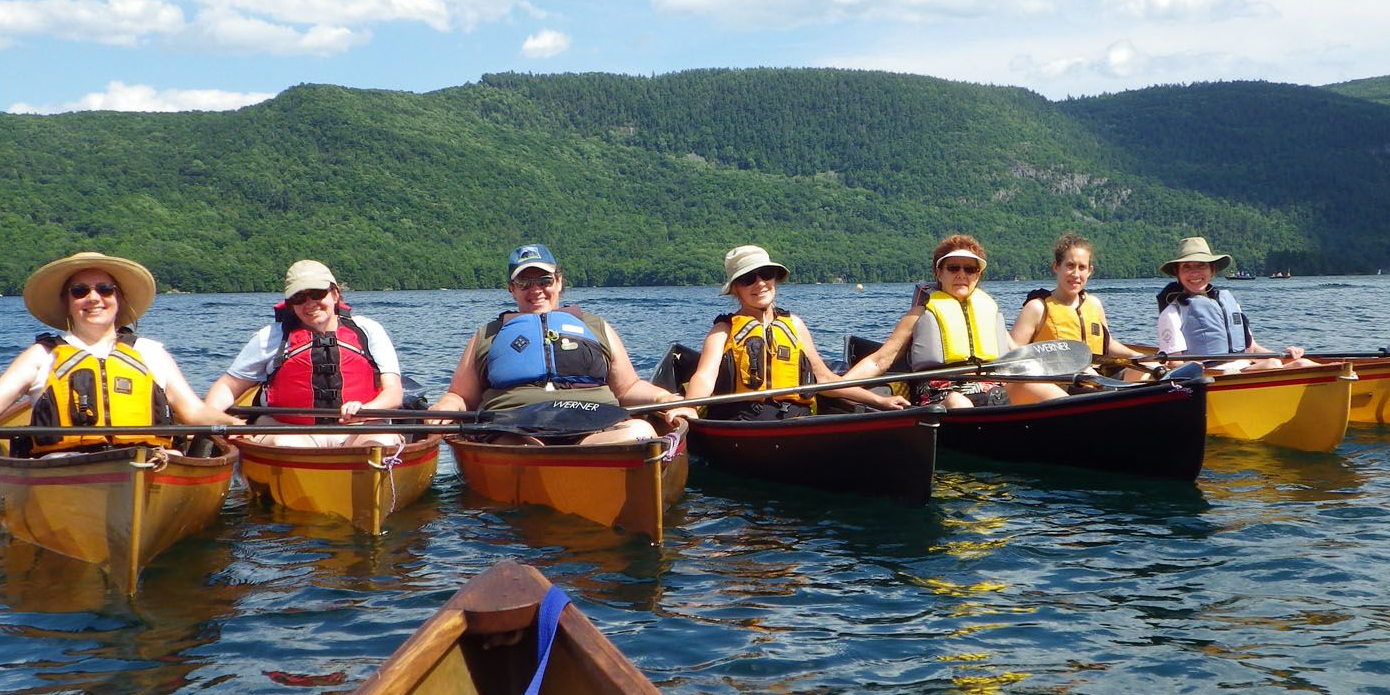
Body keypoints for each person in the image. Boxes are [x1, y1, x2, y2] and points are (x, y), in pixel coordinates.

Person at [0, 251, 233, 454]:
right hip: (65, 464)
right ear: (68, 302)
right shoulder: (42, 355)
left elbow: (193, 411)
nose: (94, 298)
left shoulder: (151, 352)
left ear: (118, 299)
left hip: (150, 460)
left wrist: (234, 424)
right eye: (80, 290)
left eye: (105, 289)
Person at [432, 243, 694, 444]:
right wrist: (445, 406)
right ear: (512, 288)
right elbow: (461, 395)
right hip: (515, 431)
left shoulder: (595, 327)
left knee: (641, 432)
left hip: (594, 426)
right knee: (522, 447)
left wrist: (665, 398)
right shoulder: (487, 335)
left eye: (544, 280)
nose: (535, 289)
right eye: (524, 282)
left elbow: (628, 387)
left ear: (559, 282)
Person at [841, 234, 1066, 407]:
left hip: (992, 391)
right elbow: (880, 361)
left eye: (970, 269)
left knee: (1039, 387)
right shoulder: (919, 313)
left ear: (978, 275)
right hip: (942, 395)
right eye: (953, 268)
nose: (961, 274)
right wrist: (839, 386)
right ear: (939, 273)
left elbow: (1020, 357)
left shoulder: (989, 311)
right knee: (958, 402)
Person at [683, 245, 908, 418]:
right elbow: (704, 377)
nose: (760, 283)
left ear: (775, 278)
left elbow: (825, 380)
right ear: (735, 289)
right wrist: (689, 408)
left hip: (795, 419)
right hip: (743, 421)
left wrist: (880, 402)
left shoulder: (795, 324)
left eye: (766, 274)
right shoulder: (723, 329)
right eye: (748, 279)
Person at [203, 260, 406, 448]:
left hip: (359, 427)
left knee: (381, 441)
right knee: (287, 444)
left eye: (317, 294)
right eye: (299, 298)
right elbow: (227, 388)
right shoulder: (270, 337)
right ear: (291, 304)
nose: (310, 304)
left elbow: (393, 393)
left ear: (335, 294)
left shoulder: (368, 330)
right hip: (287, 428)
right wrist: (214, 418)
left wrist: (366, 410)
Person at [1154, 236, 1317, 371]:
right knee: (1272, 364)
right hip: (1212, 376)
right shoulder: (1172, 313)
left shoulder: (1229, 302)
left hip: (1244, 367)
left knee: (1302, 363)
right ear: (1178, 273)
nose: (1194, 272)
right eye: (1186, 267)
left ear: (1212, 270)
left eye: (1201, 265)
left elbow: (1252, 349)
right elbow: (1175, 365)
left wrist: (1285, 355)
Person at [1009, 232, 1149, 380]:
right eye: (1070, 266)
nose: (1076, 274)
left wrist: (1138, 357)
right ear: (1056, 267)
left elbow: (1107, 344)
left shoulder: (1094, 304)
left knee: (1146, 370)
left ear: (1089, 271)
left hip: (1098, 375)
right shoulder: (1037, 308)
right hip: (1062, 383)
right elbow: (1013, 355)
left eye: (1082, 267)